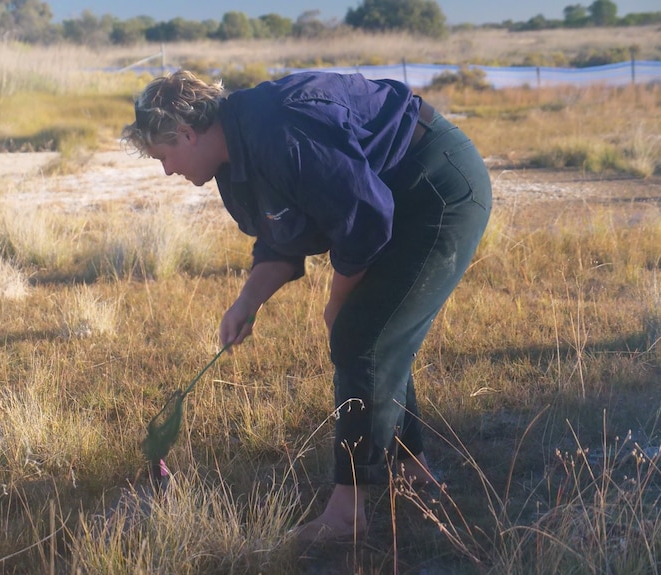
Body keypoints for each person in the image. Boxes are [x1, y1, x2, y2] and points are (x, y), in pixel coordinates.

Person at [121, 70, 491, 542]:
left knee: (360, 336)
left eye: (163, 156)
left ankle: (347, 512)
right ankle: (411, 469)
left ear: (188, 134)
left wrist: (336, 304)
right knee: (374, 332)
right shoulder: (230, 160)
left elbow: (364, 221)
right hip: (392, 195)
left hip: (438, 186)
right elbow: (280, 238)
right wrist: (245, 303)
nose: (167, 170)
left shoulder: (279, 130)